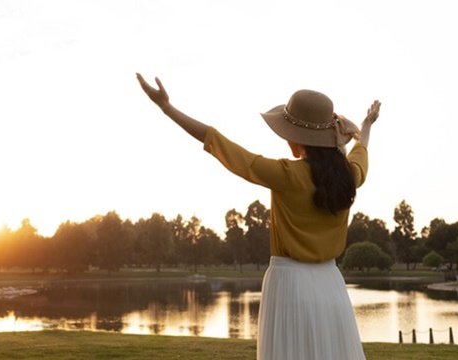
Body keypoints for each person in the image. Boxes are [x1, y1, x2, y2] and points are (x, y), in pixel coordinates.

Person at [136, 73, 380, 360]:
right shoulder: (349, 176)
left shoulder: (286, 175)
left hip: (289, 282)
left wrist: (168, 108)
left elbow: (220, 144)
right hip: (330, 284)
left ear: (296, 138)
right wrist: (366, 123)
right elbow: (360, 147)